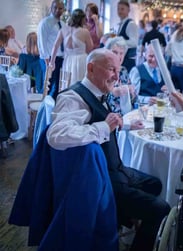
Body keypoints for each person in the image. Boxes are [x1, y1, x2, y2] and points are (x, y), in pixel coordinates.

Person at [47, 48, 170, 251]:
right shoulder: (73, 98)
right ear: (90, 68)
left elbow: (101, 122)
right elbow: (56, 135)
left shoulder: (98, 93)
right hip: (100, 182)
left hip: (116, 170)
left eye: (118, 70)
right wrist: (104, 127)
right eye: (111, 69)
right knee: (161, 209)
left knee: (155, 184)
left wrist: (124, 125)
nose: (116, 75)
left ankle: (118, 218)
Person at [50, 8, 94, 90]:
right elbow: (90, 49)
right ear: (81, 19)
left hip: (68, 60)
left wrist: (52, 62)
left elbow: (55, 46)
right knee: (81, 84)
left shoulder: (63, 30)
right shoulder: (85, 32)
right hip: (81, 60)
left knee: (67, 83)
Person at [37, 0, 65, 99]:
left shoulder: (62, 23)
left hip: (60, 58)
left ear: (63, 10)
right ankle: (44, 108)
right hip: (48, 58)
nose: (58, 10)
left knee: (57, 86)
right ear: (51, 8)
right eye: (55, 8)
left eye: (60, 8)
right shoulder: (45, 22)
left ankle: (52, 108)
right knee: (47, 86)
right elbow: (41, 42)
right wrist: (47, 61)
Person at [104, 36, 136, 115]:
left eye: (121, 53)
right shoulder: (103, 71)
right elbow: (97, 99)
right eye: (115, 52)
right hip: (108, 117)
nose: (118, 56)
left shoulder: (123, 71)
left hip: (127, 116)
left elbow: (134, 100)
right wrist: (114, 92)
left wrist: (132, 93)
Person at [117, 0, 138, 72]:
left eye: (122, 9)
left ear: (128, 10)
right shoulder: (122, 23)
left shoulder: (131, 24)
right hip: (122, 58)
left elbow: (134, 42)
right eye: (118, 9)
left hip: (128, 60)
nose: (120, 11)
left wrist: (119, 42)